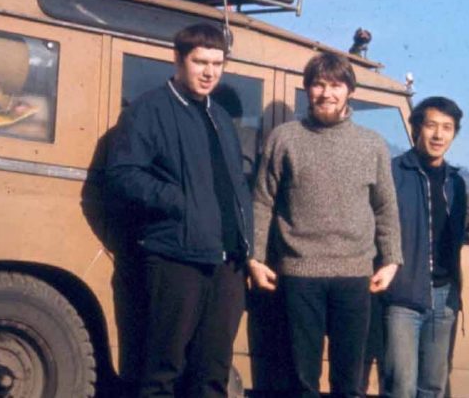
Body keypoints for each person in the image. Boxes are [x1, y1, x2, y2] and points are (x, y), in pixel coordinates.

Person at [105, 23, 253, 397]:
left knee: (212, 373)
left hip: (227, 265)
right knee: (162, 372)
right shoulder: (149, 111)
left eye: (217, 63)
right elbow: (123, 173)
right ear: (178, 59)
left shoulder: (220, 116)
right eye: (200, 61)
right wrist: (177, 202)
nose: (209, 72)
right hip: (175, 259)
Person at [249, 51, 403, 398]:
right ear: (307, 89)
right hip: (298, 274)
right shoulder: (284, 138)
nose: (326, 93)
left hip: (354, 276)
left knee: (349, 382)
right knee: (300, 381)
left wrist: (391, 260)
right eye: (319, 84)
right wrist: (255, 259)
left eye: (336, 85)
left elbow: (385, 206)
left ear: (350, 91)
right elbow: (262, 201)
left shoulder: (372, 145)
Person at [382, 97, 467, 398]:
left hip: (443, 298)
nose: (438, 135)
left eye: (447, 128)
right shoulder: (393, 172)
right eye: (431, 125)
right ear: (416, 127)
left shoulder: (456, 183)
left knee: (433, 387)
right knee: (400, 387)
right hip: (403, 294)